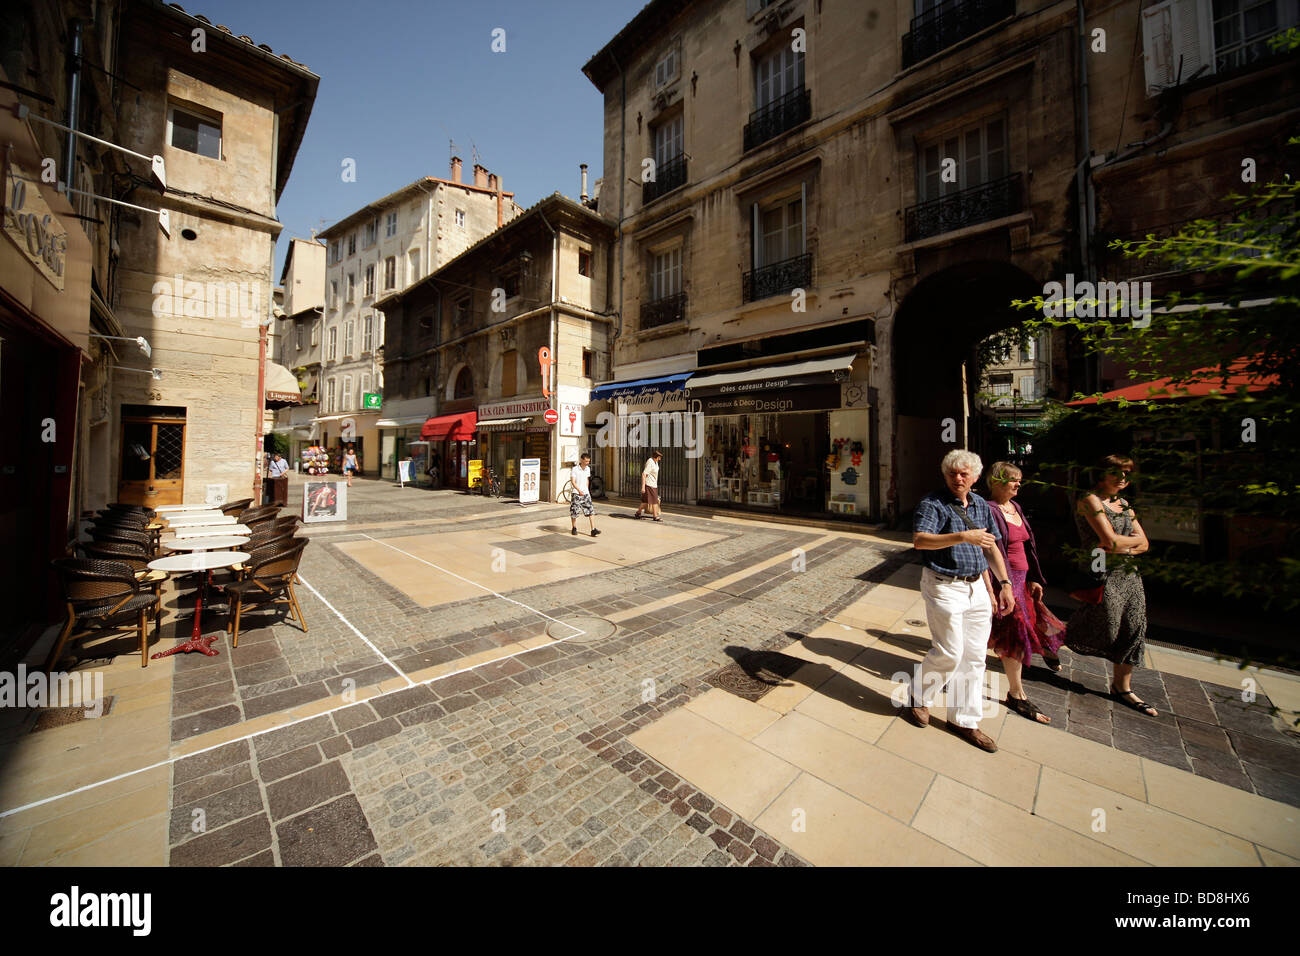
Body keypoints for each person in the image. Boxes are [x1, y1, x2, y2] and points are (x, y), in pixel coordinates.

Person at [907, 449, 1016, 753]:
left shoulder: (981, 504)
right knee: (950, 652)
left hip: (976, 587)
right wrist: (962, 537)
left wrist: (1004, 583)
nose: (958, 477)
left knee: (975, 657)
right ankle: (918, 695)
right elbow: (920, 540)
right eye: (952, 472)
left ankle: (964, 720)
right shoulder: (933, 503)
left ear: (975, 477)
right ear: (945, 475)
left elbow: (992, 547)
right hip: (943, 585)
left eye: (964, 473)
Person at [1064, 455, 1156, 716]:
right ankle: (1048, 638)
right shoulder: (1090, 500)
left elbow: (1145, 543)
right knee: (1105, 624)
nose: (1122, 478)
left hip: (1129, 574)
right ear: (1101, 474)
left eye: (1127, 473)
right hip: (1101, 572)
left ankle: (1122, 687)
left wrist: (1122, 546)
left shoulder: (1124, 504)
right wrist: (1127, 544)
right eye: (1116, 473)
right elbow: (1110, 542)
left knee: (1134, 625)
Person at [985, 461, 1066, 724]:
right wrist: (1000, 585)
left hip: (1022, 579)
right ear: (997, 482)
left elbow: (1027, 545)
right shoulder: (990, 510)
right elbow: (990, 550)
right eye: (1013, 480)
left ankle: (1045, 652)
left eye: (1020, 479)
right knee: (1015, 633)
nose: (1018, 484)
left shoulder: (1016, 507)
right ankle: (1016, 693)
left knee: (1031, 623)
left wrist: (1032, 577)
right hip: (1005, 580)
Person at [569, 452, 601, 537]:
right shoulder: (575, 469)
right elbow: (573, 481)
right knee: (575, 511)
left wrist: (586, 490)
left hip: (585, 494)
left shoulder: (588, 469)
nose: (587, 463)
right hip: (576, 493)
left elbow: (587, 479)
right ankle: (574, 528)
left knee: (590, 510)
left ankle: (593, 529)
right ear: (581, 460)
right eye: (586, 461)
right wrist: (579, 490)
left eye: (588, 461)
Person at [633, 450, 664, 521]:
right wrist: (643, 487)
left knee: (645, 501)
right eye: (659, 457)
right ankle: (655, 516)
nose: (660, 458)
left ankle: (638, 513)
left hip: (653, 484)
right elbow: (644, 474)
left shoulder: (656, 462)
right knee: (654, 501)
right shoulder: (650, 462)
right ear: (657, 457)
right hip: (649, 484)